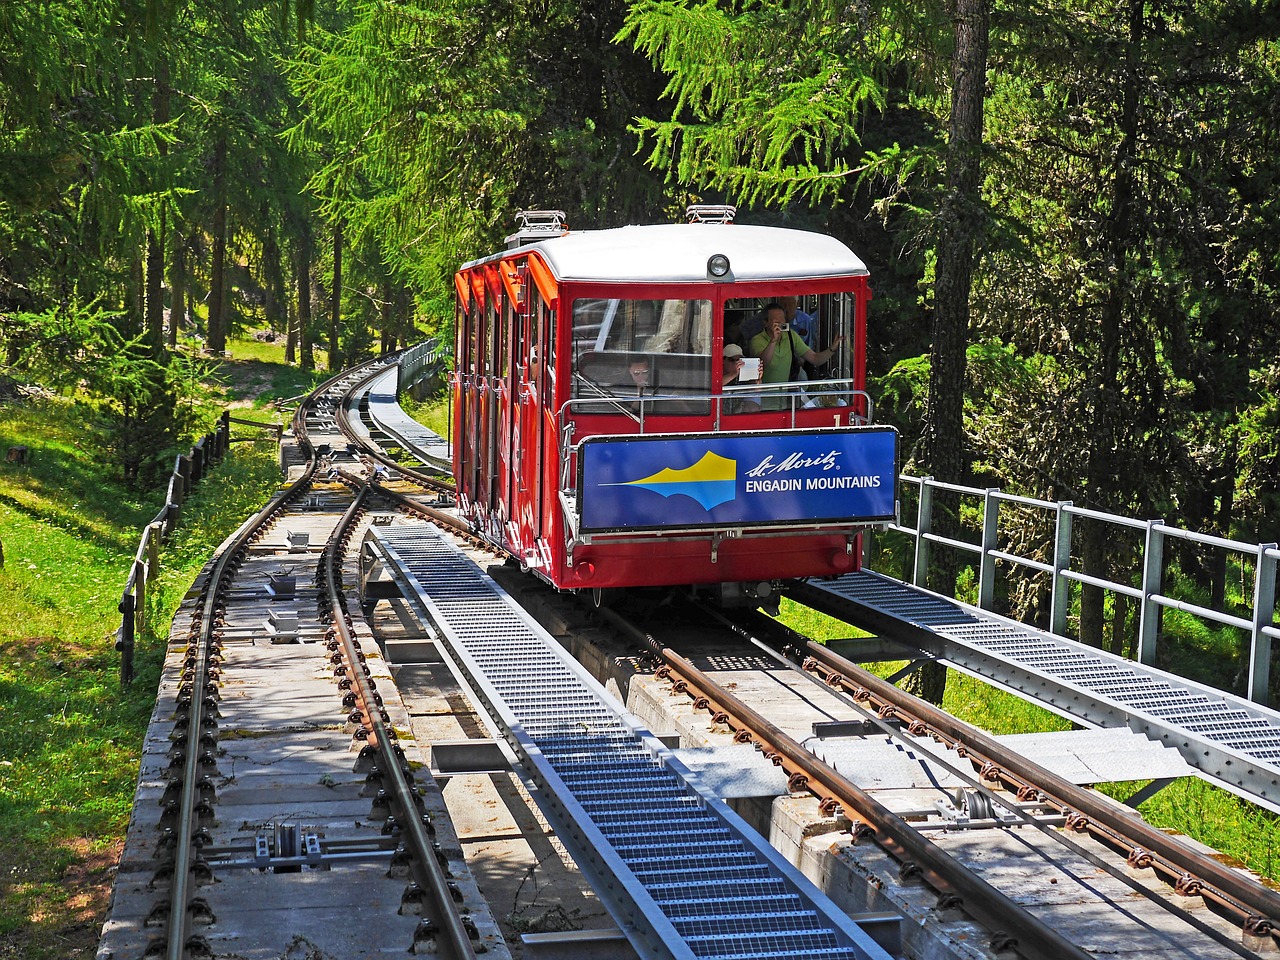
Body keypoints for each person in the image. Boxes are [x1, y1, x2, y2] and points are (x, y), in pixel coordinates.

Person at [748, 302, 844, 409]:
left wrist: (832, 348)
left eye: (782, 320)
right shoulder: (757, 340)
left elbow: (815, 358)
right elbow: (763, 363)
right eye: (776, 321)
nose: (780, 323)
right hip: (762, 405)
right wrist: (773, 340)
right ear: (765, 323)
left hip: (784, 403)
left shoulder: (791, 335)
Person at [720, 344, 760, 414]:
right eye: (732, 360)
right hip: (720, 412)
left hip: (737, 412)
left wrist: (757, 378)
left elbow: (756, 390)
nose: (736, 363)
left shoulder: (743, 372)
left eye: (738, 360)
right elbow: (716, 384)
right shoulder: (717, 372)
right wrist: (733, 374)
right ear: (723, 360)